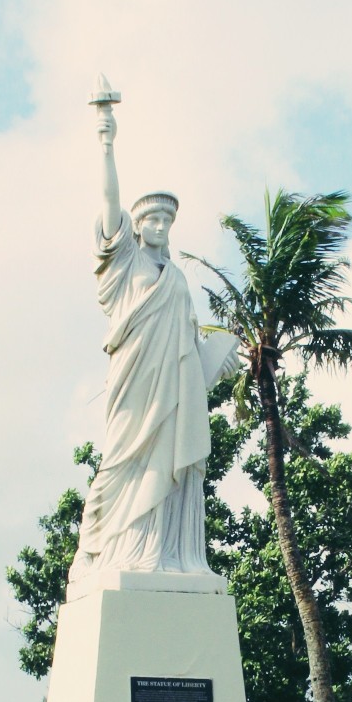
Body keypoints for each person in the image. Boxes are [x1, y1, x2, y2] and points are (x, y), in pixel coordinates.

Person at [69, 91, 238, 593]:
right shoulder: (124, 264)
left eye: (167, 221)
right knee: (120, 461)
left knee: (170, 465)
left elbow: (188, 347)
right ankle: (101, 549)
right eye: (152, 221)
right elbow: (109, 204)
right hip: (134, 380)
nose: (161, 227)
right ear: (137, 226)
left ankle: (165, 554)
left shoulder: (178, 280)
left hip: (175, 391)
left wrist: (215, 365)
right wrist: (106, 141)